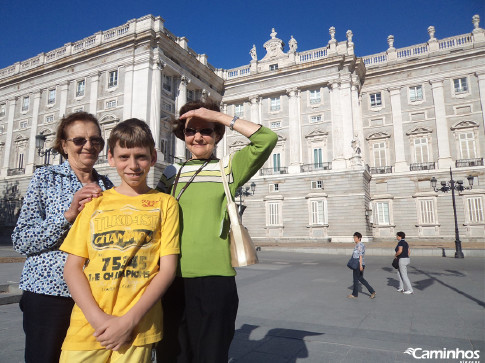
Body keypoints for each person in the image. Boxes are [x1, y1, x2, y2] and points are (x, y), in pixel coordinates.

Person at [156, 100, 277, 363]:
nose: (197, 136)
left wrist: (217, 115)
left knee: (211, 356)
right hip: (169, 278)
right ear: (183, 136)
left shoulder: (228, 168)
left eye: (206, 130)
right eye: (190, 131)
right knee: (171, 355)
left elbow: (266, 139)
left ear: (217, 134)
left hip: (215, 279)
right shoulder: (170, 173)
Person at [59, 118, 180, 363]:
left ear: (153, 157)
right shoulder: (94, 202)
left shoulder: (166, 204)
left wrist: (129, 321)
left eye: (141, 157)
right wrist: (99, 320)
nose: (133, 165)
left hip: (138, 327)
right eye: (124, 157)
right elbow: (72, 268)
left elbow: (167, 270)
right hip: (87, 326)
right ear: (111, 158)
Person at [12, 111, 113, 363]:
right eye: (79, 140)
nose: (88, 146)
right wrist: (68, 215)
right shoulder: (45, 179)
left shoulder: (109, 187)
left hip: (94, 297)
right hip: (49, 293)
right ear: (64, 145)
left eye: (95, 140)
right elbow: (22, 240)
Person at [347, 232, 376, 299]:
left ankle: (355, 294)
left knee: (356, 279)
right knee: (360, 279)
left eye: (355, 237)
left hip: (358, 264)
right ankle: (372, 291)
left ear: (359, 238)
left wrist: (360, 266)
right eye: (354, 237)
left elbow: (360, 256)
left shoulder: (359, 245)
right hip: (359, 264)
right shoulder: (360, 244)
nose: (354, 239)